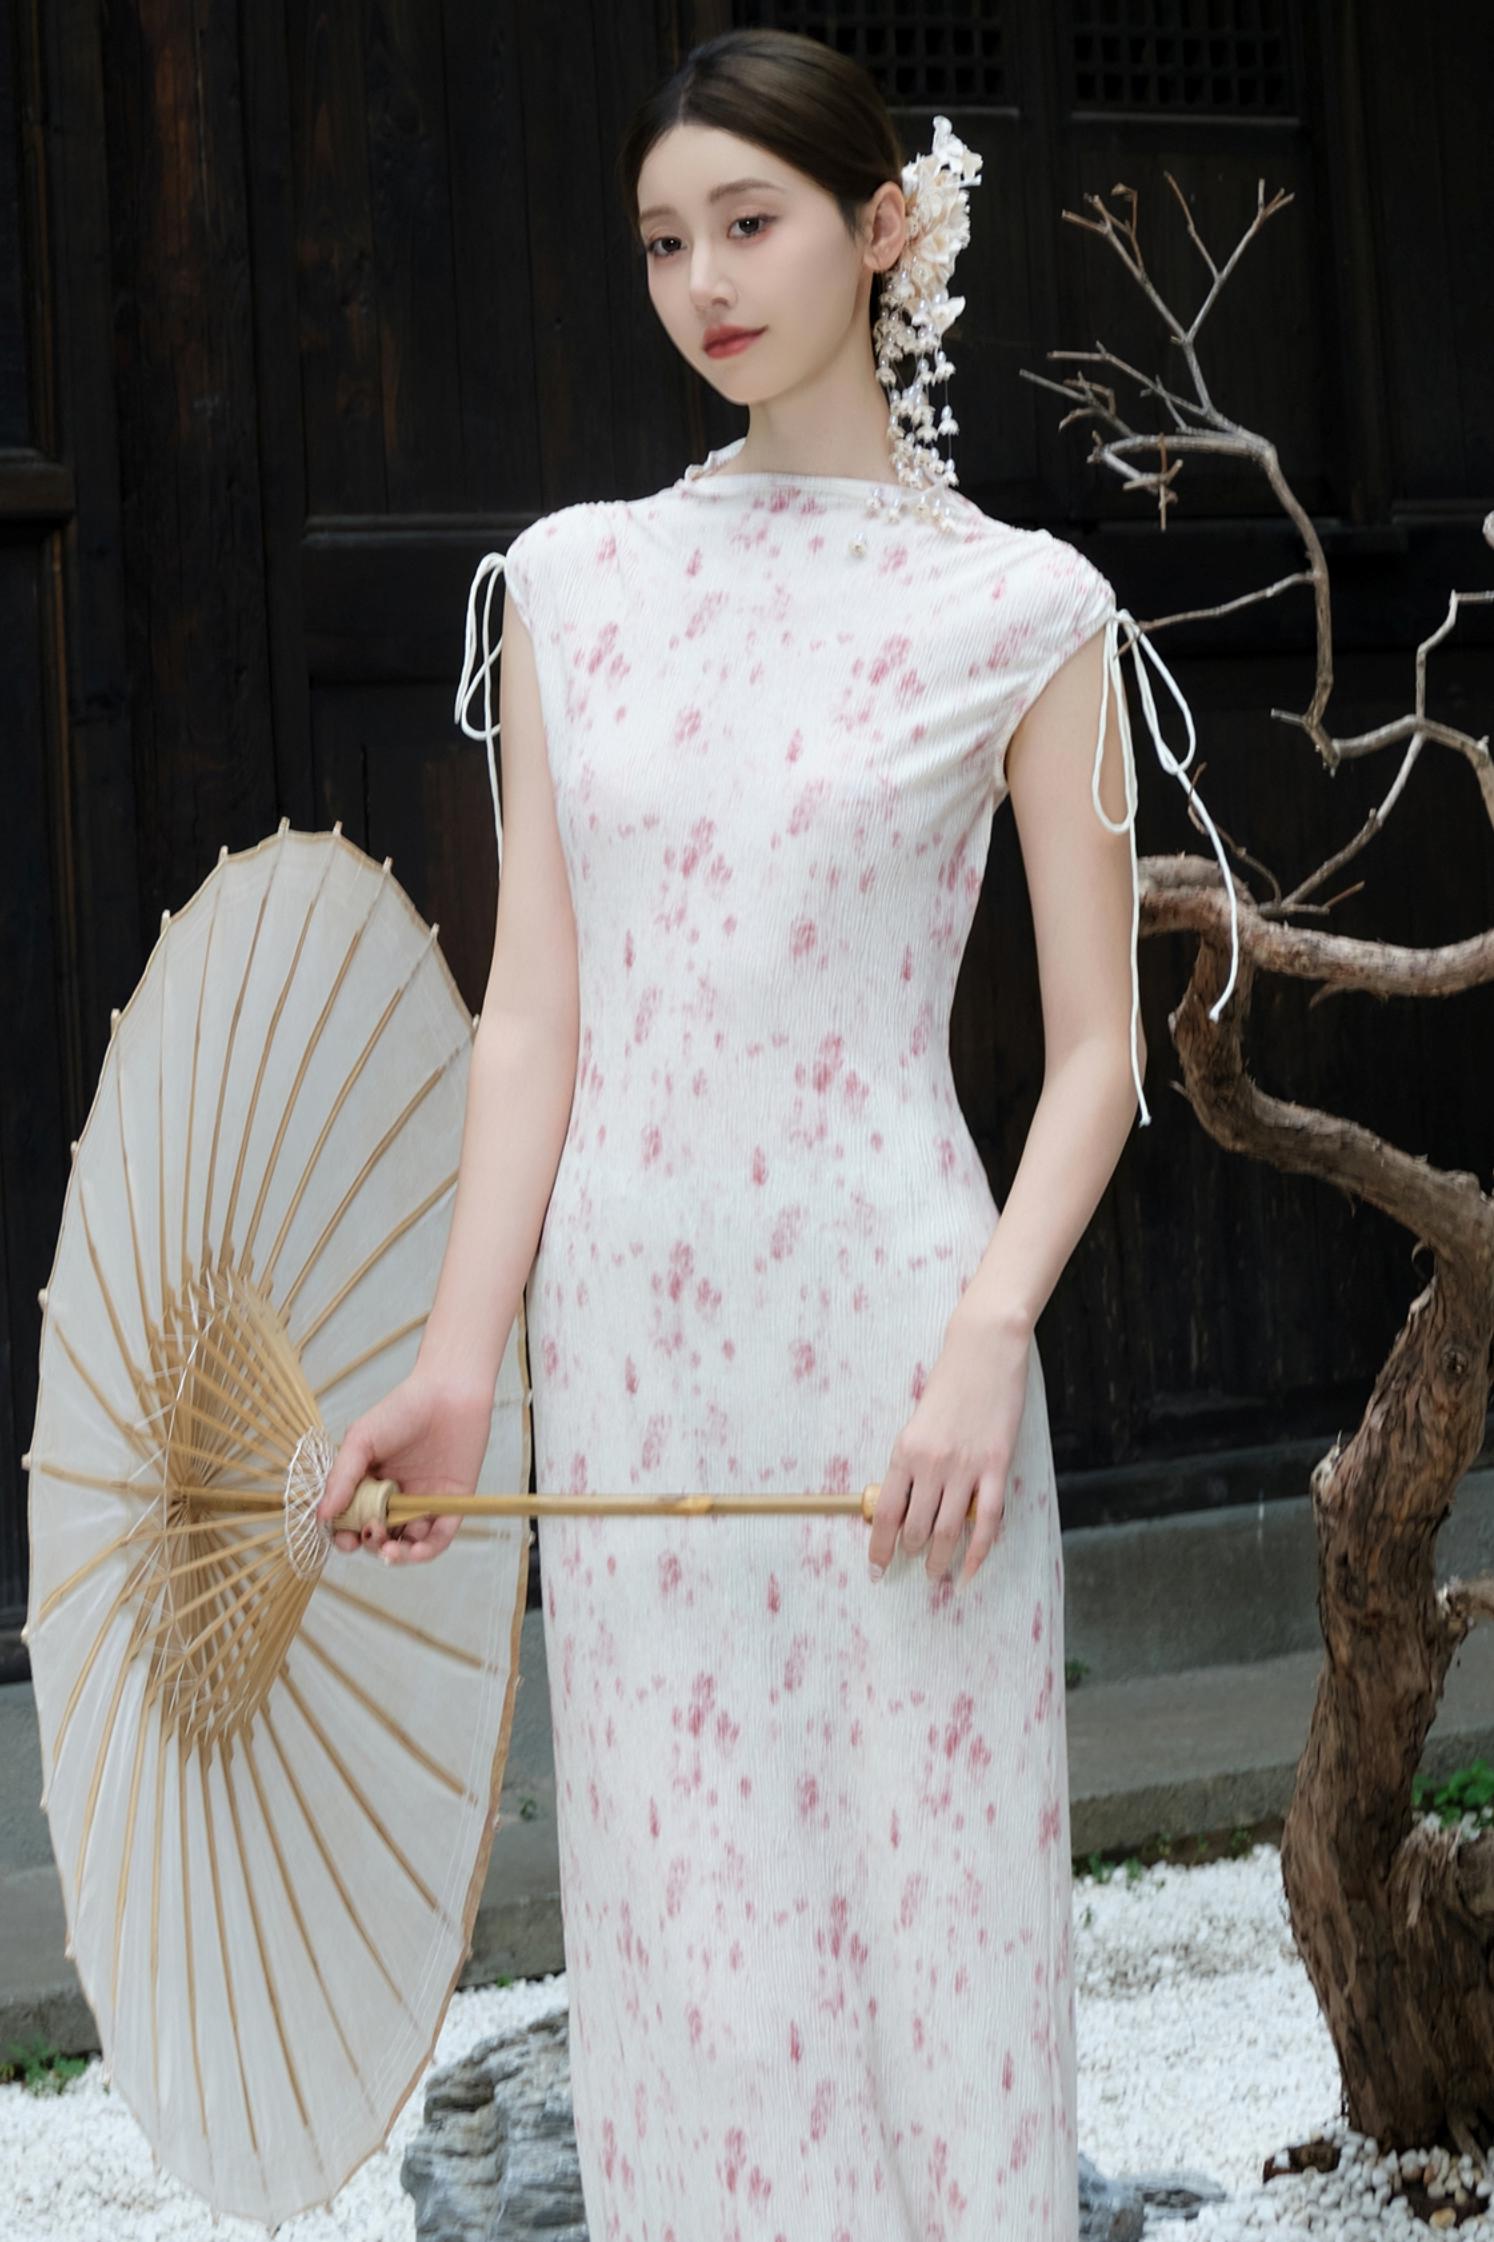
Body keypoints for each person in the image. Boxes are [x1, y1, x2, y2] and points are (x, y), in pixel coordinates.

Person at [320, 26, 1239, 2241]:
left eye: (751, 223)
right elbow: (535, 1016)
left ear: (882, 228)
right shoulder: (571, 584)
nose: (705, 283)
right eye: (664, 242)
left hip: (896, 1346)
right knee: (690, 1960)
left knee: (934, 1943)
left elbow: (1097, 1054)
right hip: (631, 1352)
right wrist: (458, 1364)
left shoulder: (1021, 607)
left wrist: (985, 1340)